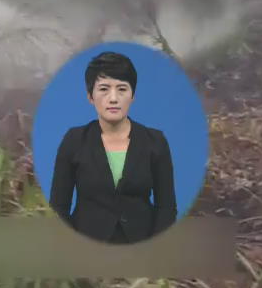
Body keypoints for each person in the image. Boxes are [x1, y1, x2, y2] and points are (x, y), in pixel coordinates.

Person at [48, 51, 177, 244]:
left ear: (133, 95)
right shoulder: (74, 140)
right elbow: (58, 207)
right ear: (90, 96)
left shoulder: (155, 141)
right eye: (104, 89)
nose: (113, 98)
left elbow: (166, 207)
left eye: (122, 89)